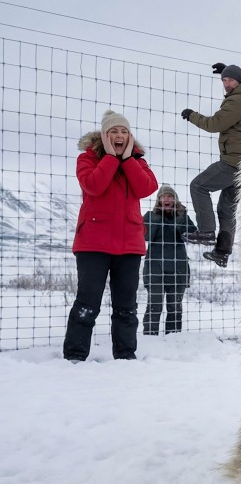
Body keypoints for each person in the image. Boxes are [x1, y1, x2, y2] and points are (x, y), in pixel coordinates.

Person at [63, 110, 159, 361]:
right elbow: (93, 185)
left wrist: (127, 160)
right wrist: (110, 158)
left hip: (129, 245)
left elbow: (146, 187)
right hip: (93, 244)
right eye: (113, 131)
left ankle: (126, 356)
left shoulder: (138, 162)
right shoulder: (88, 159)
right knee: (87, 302)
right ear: (104, 136)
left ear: (130, 136)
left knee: (126, 306)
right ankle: (74, 356)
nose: (119, 135)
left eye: (124, 131)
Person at [180, 62, 241, 267]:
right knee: (226, 207)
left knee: (199, 186)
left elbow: (216, 124)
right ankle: (222, 251)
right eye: (224, 80)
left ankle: (206, 231)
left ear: (239, 81)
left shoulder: (238, 100)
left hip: (234, 161)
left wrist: (192, 116)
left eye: (230, 80)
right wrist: (228, 70)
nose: (226, 84)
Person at [142, 184, 197, 335]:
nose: (166, 199)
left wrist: (180, 217)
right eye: (163, 196)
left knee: (175, 305)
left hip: (177, 266)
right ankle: (150, 338)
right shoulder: (150, 216)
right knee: (155, 304)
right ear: (159, 199)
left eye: (170, 196)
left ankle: (173, 339)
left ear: (175, 200)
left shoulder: (182, 216)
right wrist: (158, 218)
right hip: (155, 267)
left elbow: (193, 235)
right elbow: (144, 235)